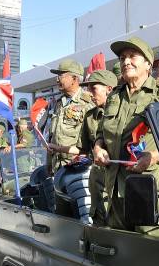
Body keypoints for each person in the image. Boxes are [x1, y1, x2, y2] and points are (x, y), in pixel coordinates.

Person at [93, 36, 159, 234]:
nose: (125, 61)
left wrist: (153, 157)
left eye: (132, 56)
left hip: (148, 191)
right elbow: (101, 132)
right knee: (121, 251)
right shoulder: (115, 96)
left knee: (151, 253)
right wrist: (98, 147)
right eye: (122, 57)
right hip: (114, 191)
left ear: (148, 64)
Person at [49, 69, 117, 225]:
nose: (90, 93)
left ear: (109, 89)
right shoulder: (91, 116)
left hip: (117, 180)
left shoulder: (124, 114)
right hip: (96, 178)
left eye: (94, 88)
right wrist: (57, 149)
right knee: (93, 221)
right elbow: (84, 149)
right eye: (88, 88)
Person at [47, 59, 94, 174]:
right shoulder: (59, 103)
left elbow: (95, 140)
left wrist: (84, 158)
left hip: (77, 168)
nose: (57, 79)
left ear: (74, 79)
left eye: (61, 75)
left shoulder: (88, 103)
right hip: (56, 166)